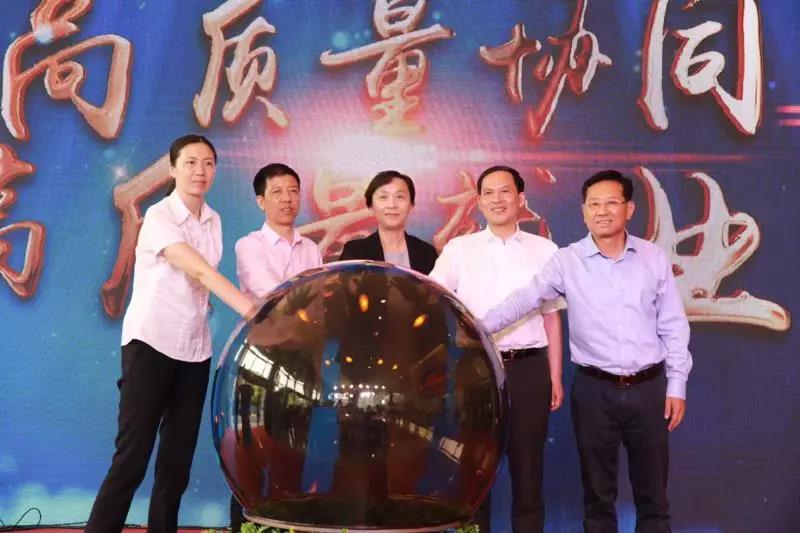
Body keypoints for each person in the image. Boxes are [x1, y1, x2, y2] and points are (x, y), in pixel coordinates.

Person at [482, 169, 692, 533]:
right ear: (583, 212)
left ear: (629, 208)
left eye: (611, 203)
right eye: (594, 204)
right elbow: (525, 298)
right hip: (595, 391)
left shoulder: (653, 258)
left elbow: (673, 325)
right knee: (597, 498)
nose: (602, 211)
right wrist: (478, 326)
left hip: (649, 389)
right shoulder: (568, 260)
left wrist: (677, 385)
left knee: (654, 498)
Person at [85, 135, 255, 533]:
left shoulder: (213, 220)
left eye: (208, 163)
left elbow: (198, 282)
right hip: (151, 343)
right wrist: (251, 309)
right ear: (173, 169)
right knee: (132, 457)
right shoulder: (159, 216)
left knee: (177, 462)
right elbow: (198, 270)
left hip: (194, 349)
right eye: (191, 162)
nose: (200, 171)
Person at [429, 165, 565, 533]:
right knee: (473, 469)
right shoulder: (460, 249)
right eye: (488, 193)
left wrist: (554, 375)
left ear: (521, 199)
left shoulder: (545, 250)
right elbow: (434, 301)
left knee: (529, 469)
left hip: (529, 368)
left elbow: (552, 317)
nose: (497, 199)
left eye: (505, 191)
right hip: (476, 368)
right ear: (478, 202)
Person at [230, 162, 322, 531]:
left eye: (293, 191)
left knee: (294, 452)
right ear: (261, 201)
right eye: (278, 192)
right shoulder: (248, 245)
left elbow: (320, 306)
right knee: (252, 450)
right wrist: (302, 309)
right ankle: (246, 526)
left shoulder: (311, 249)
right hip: (261, 360)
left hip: (302, 362)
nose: (287, 199)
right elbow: (271, 294)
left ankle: (288, 526)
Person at [339, 170, 437, 274]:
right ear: (371, 206)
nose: (392, 205)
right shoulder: (354, 253)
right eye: (383, 197)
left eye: (400, 197)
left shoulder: (427, 253)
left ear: (411, 205)